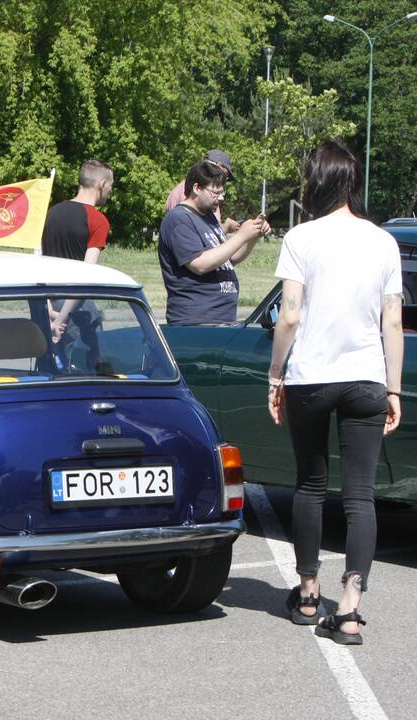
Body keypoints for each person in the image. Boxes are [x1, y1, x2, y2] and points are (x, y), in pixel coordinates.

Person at [267, 141, 404, 646]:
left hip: (312, 377)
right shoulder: (383, 241)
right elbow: (393, 318)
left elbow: (290, 315)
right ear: (353, 182)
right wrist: (393, 387)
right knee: (360, 496)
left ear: (316, 182)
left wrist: (275, 375)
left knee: (309, 485)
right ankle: (349, 609)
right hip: (367, 377)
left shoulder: (301, 238)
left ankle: (307, 593)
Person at [158, 159, 270, 325]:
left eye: (222, 192)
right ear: (197, 188)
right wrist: (241, 236)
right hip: (195, 322)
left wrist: (252, 235)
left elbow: (230, 257)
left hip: (219, 319)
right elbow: (199, 264)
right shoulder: (178, 219)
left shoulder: (208, 217)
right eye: (215, 192)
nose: (221, 198)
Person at [41, 159, 113, 361]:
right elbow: (85, 277)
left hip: (46, 302)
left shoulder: (51, 213)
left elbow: (39, 263)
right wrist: (61, 320)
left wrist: (47, 309)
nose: (110, 191)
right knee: (84, 370)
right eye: (110, 186)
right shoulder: (97, 220)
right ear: (101, 184)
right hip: (75, 312)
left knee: (48, 370)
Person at [165, 149, 241, 234]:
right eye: (225, 176)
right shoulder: (202, 195)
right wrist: (227, 227)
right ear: (218, 166)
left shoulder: (179, 189)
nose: (224, 181)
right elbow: (209, 234)